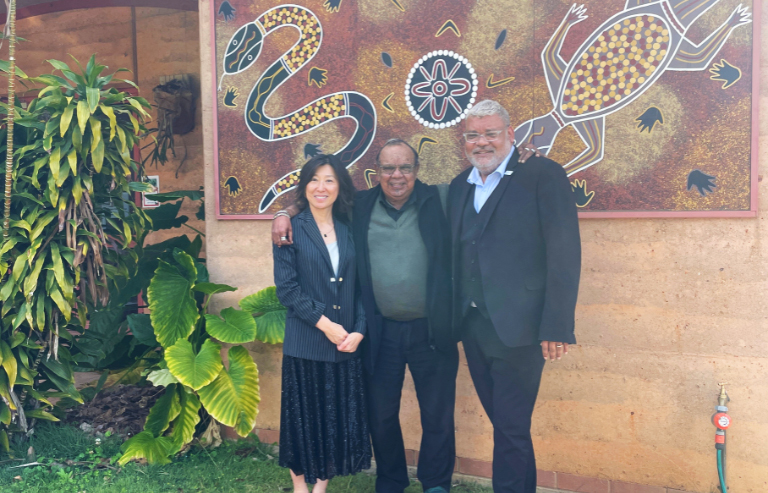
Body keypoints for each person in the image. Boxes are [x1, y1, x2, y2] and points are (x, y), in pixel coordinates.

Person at [272, 140, 540, 493]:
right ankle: (391, 481)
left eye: (405, 167)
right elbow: (318, 199)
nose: (396, 175)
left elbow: (489, 179)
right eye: (388, 168)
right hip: (379, 331)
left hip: (433, 331)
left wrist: (518, 159)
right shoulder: (359, 206)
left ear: (417, 169)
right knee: (381, 414)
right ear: (376, 172)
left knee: (437, 414)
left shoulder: (441, 198)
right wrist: (283, 213)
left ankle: (436, 483)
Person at [447, 100, 581, 493]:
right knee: (509, 426)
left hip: (521, 327)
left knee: (510, 426)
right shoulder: (459, 186)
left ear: (509, 134)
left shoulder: (543, 175)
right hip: (473, 326)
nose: (481, 142)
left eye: (490, 133)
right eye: (473, 135)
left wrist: (556, 325)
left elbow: (564, 253)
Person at [273, 154, 371, 493]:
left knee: (333, 420)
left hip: (345, 342)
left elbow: (362, 286)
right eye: (314, 179)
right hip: (306, 340)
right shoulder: (290, 228)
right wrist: (325, 324)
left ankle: (321, 489)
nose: (321, 187)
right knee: (301, 420)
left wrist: (359, 329)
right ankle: (300, 487)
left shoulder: (350, 227)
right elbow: (287, 289)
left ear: (340, 185)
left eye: (329, 180)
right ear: (304, 185)